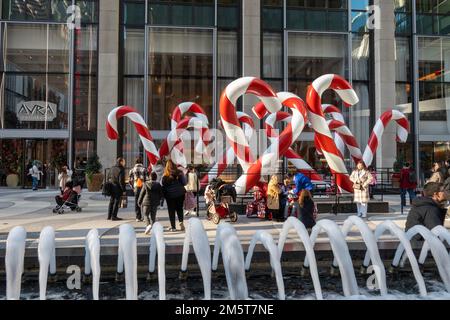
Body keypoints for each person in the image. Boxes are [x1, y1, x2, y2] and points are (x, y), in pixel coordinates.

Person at [161, 160, 187, 232]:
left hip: (170, 195)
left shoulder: (165, 175)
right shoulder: (179, 173)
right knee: (179, 209)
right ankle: (181, 222)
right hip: (180, 194)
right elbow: (184, 183)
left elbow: (163, 185)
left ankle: (173, 227)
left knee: (171, 210)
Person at [129, 156, 148, 222]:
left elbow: (130, 180)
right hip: (143, 187)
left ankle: (138, 217)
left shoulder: (132, 170)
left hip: (136, 187)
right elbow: (147, 179)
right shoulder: (144, 169)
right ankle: (144, 216)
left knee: (137, 202)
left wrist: (133, 187)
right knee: (143, 202)